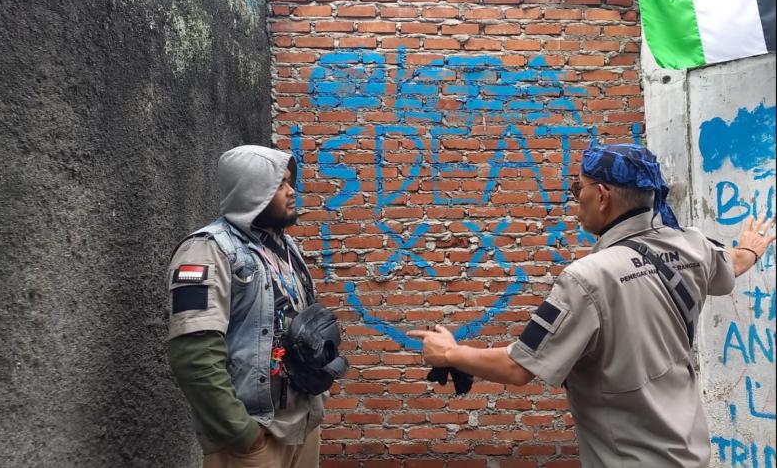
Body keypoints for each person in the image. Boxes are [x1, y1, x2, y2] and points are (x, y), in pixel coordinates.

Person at [409, 143, 775, 468]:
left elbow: (518, 368)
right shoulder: (691, 245)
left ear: (602, 195)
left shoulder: (588, 277)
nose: (575, 199)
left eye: (577, 188)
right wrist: (750, 248)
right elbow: (732, 263)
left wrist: (450, 354)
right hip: (690, 452)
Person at [167, 145, 331, 468]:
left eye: (289, 182)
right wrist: (243, 434)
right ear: (252, 191)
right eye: (280, 184)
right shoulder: (207, 251)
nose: (292, 191)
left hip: (302, 428)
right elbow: (194, 357)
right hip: (254, 441)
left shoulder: (286, 249)